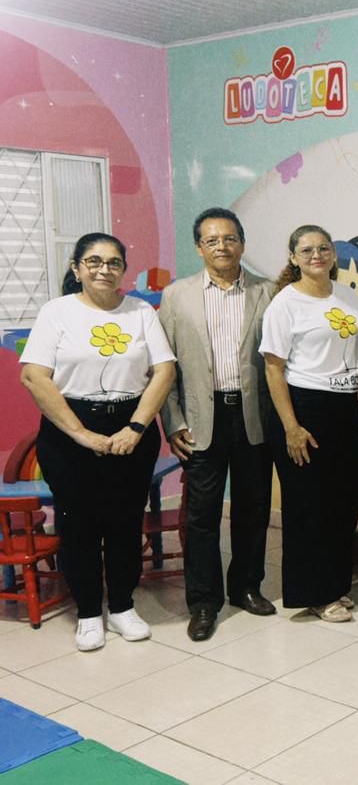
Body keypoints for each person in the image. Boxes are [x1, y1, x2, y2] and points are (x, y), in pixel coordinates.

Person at [19, 233, 176, 652]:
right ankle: (89, 612)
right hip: (69, 430)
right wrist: (81, 434)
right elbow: (34, 376)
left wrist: (136, 428)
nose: (104, 269)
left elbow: (164, 371)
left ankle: (123, 606)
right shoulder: (57, 312)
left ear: (123, 269)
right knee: (79, 525)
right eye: (94, 261)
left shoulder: (140, 311)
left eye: (113, 262)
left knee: (125, 521)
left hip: (131, 426)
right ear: (77, 268)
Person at [158, 208, 276, 643]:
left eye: (229, 238)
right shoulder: (177, 296)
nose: (221, 247)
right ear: (199, 247)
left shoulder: (268, 291)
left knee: (252, 509)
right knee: (202, 516)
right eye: (211, 240)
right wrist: (173, 422)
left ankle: (246, 586)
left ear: (242, 243)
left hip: (253, 417)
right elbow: (163, 366)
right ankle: (205, 602)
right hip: (199, 421)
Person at [260, 225, 358, 622]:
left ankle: (335, 585)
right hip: (304, 409)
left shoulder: (347, 295)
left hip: (345, 408)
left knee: (342, 503)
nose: (316, 255)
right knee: (309, 507)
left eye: (323, 248)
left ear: (333, 254)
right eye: (306, 250)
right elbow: (273, 368)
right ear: (293, 257)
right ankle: (315, 594)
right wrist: (291, 427)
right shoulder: (285, 304)